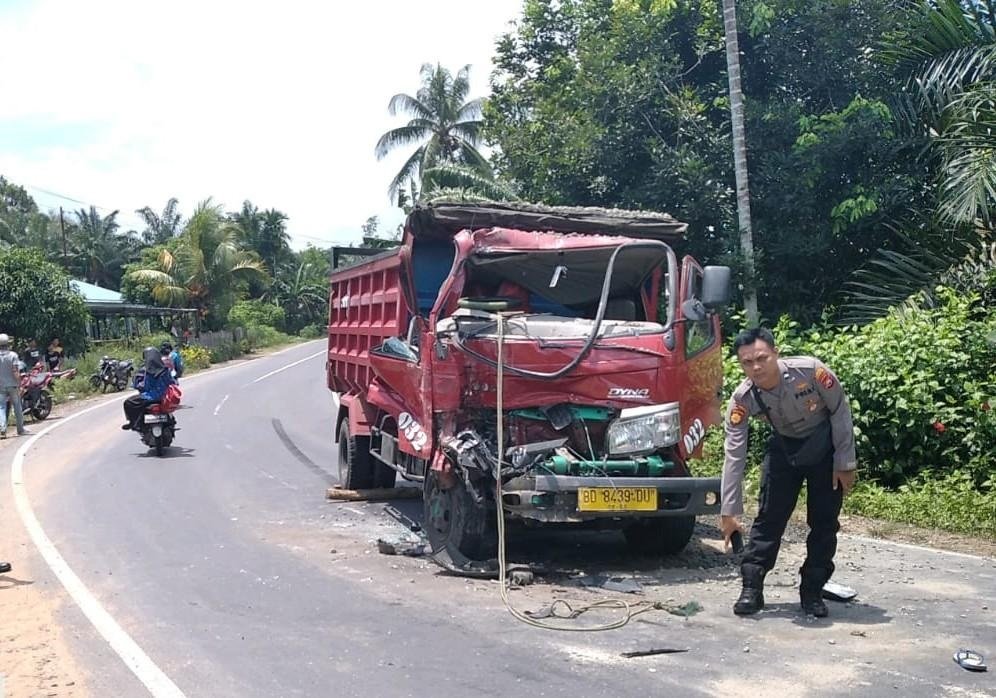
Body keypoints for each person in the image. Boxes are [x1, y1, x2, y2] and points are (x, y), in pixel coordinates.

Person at [720, 327, 858, 618]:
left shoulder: (810, 371)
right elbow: (734, 453)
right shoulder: (743, 398)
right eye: (747, 362)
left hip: (825, 450)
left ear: (775, 353)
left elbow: (840, 410)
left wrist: (845, 463)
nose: (756, 367)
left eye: (761, 358)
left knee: (824, 523)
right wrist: (729, 510)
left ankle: (812, 591)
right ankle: (751, 589)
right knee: (769, 518)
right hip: (784, 449)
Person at [122, 347, 175, 430]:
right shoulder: (165, 370)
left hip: (149, 397)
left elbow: (143, 385)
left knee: (128, 403)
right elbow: (171, 381)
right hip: (164, 397)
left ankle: (132, 423)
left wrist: (138, 386)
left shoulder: (146, 371)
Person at [0, 333, 27, 438]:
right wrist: (19, 383)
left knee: (1, 407)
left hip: (1, 385)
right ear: (8, 344)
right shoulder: (13, 355)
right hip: (13, 385)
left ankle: (2, 429)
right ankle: (20, 429)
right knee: (17, 407)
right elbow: (15, 371)